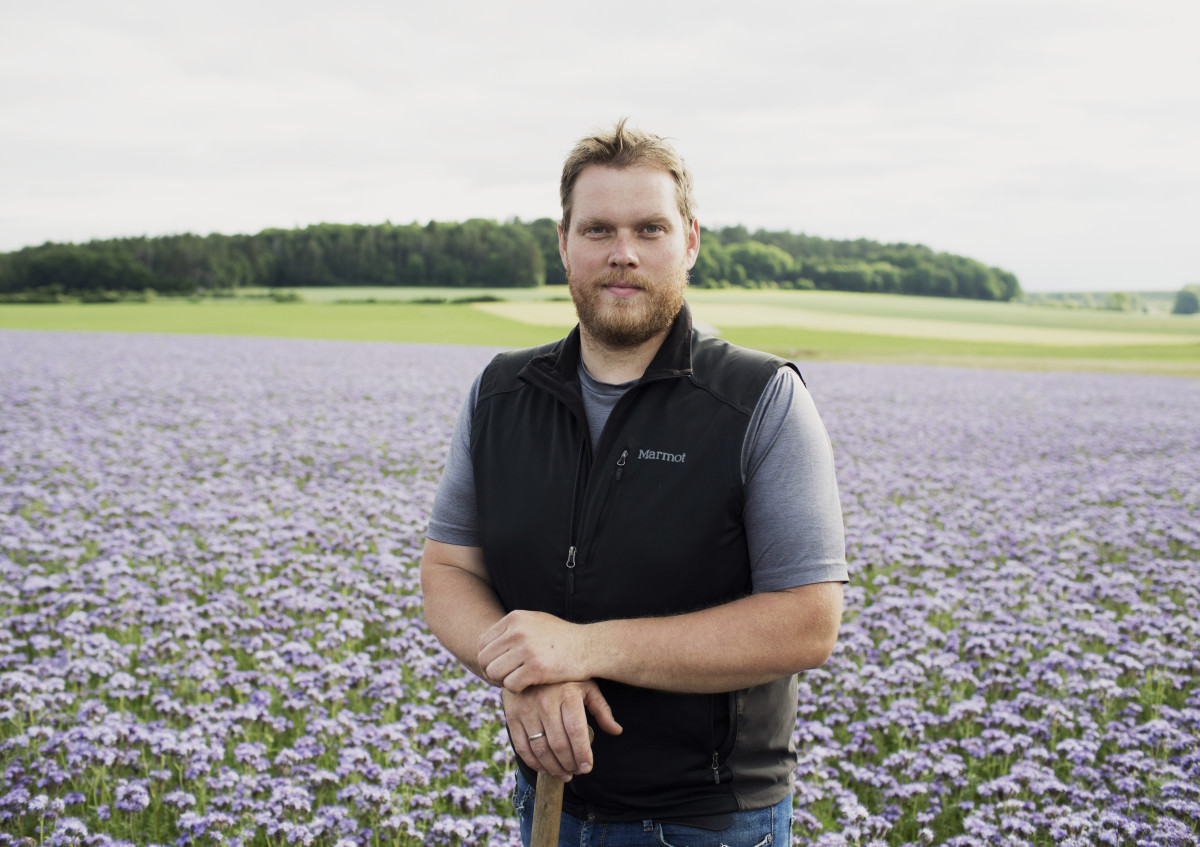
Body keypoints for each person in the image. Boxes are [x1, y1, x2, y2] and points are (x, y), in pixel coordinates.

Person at [421, 119, 847, 846]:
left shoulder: (761, 399)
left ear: (690, 241)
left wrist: (583, 649)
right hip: (549, 802)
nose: (623, 254)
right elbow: (448, 569)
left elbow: (807, 620)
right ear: (563, 242)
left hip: (708, 821)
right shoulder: (499, 394)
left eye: (650, 228)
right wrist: (526, 672)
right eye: (598, 230)